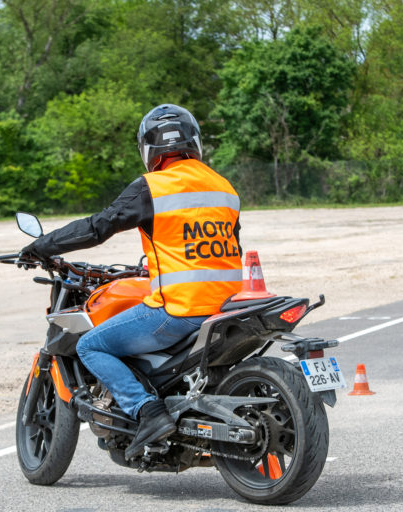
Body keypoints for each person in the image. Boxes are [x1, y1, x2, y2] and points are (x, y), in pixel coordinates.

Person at [22, 104, 243, 458]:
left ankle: (147, 411)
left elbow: (98, 226)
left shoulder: (153, 188)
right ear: (194, 142)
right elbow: (218, 247)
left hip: (179, 310)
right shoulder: (224, 188)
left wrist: (41, 246)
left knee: (91, 345)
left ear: (148, 148)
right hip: (230, 305)